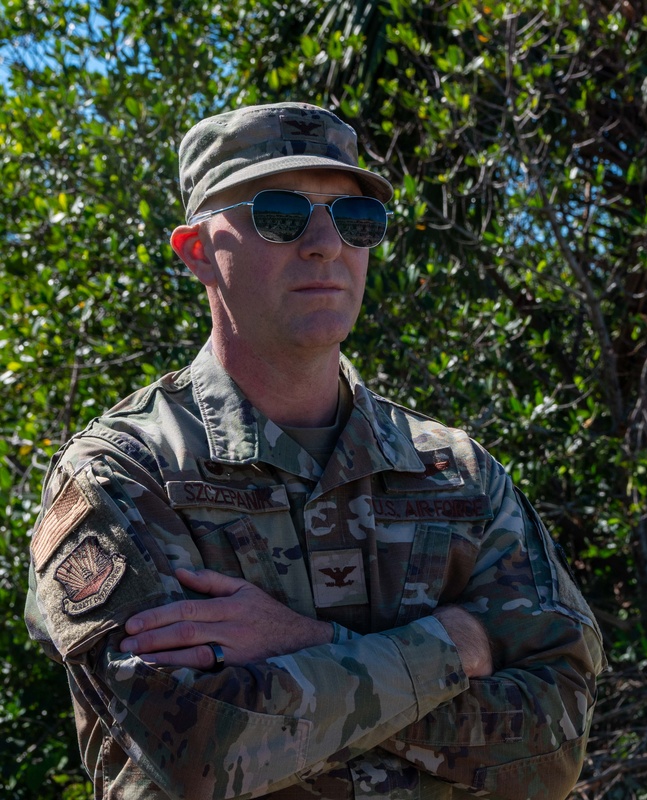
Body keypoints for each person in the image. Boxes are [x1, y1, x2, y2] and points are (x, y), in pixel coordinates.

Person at [24, 101, 606, 800]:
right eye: (281, 213)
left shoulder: (456, 473)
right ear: (199, 251)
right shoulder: (126, 473)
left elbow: (556, 743)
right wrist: (456, 647)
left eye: (355, 220)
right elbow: (199, 754)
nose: (327, 244)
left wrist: (307, 643)